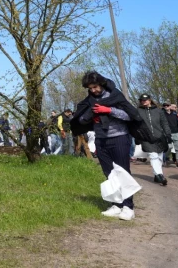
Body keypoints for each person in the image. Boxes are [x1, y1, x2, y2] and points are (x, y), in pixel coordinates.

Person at [71, 71, 143, 221]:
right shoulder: (89, 101)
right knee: (109, 173)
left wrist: (109, 110)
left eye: (95, 87)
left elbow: (130, 115)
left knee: (123, 172)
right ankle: (116, 204)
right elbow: (82, 120)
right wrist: (89, 115)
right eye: (90, 88)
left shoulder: (115, 96)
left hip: (119, 138)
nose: (93, 90)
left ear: (102, 84)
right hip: (101, 139)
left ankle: (128, 207)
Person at [136, 94, 170, 186]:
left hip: (159, 136)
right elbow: (135, 125)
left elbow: (164, 124)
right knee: (153, 155)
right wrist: (137, 136)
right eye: (142, 100)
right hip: (146, 138)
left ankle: (156, 175)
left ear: (150, 100)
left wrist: (168, 134)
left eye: (146, 100)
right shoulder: (138, 111)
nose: (144, 101)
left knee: (159, 156)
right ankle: (160, 175)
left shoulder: (159, 111)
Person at [162, 103, 178, 169]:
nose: (166, 107)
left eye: (167, 105)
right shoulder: (162, 114)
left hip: (176, 132)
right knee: (169, 147)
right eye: (164, 106)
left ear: (170, 106)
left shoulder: (174, 114)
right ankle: (164, 158)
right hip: (167, 133)